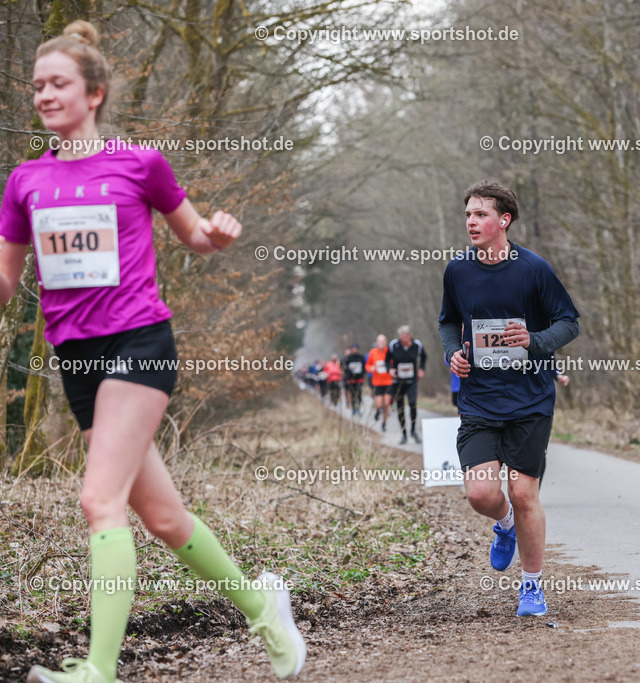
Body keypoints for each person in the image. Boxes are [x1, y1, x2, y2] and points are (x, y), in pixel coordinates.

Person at [0, 22, 305, 683]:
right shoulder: (24, 181)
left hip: (139, 343)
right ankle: (260, 604)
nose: (45, 95)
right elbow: (6, 280)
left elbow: (195, 235)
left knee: (97, 501)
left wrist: (219, 234)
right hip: (75, 356)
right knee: (163, 516)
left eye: (58, 84)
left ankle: (97, 670)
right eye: (37, 86)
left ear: (95, 93)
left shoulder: (140, 164)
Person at [438, 181, 579, 617]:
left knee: (523, 494)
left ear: (504, 220)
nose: (471, 222)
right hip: (480, 399)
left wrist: (535, 341)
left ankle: (532, 586)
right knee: (481, 493)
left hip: (530, 400)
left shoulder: (533, 269)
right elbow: (448, 322)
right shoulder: (458, 270)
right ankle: (504, 528)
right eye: (467, 215)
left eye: (480, 215)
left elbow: (568, 322)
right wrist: (453, 354)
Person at [385, 325, 427, 444]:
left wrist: (421, 369)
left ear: (410, 335)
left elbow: (424, 357)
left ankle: (413, 430)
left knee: (413, 404)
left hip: (412, 381)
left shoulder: (417, 345)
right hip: (398, 382)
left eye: (406, 336)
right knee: (400, 407)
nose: (403, 338)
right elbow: (386, 360)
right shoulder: (394, 345)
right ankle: (404, 434)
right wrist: (390, 370)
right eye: (401, 336)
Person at [365, 334, 392, 430]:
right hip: (377, 382)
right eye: (379, 342)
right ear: (377, 343)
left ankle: (384, 423)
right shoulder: (372, 353)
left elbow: (393, 363)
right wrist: (371, 368)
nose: (381, 343)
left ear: (386, 343)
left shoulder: (389, 352)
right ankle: (377, 410)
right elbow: (367, 365)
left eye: (383, 341)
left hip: (388, 382)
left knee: (386, 403)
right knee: (379, 403)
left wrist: (392, 369)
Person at [343, 343, 366, 415]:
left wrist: (362, 376)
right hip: (351, 380)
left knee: (358, 395)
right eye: (353, 349)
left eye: (356, 349)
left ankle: (358, 408)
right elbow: (345, 369)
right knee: (353, 395)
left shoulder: (361, 357)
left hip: (359, 380)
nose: (355, 350)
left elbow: (364, 368)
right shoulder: (348, 358)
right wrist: (349, 376)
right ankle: (354, 409)